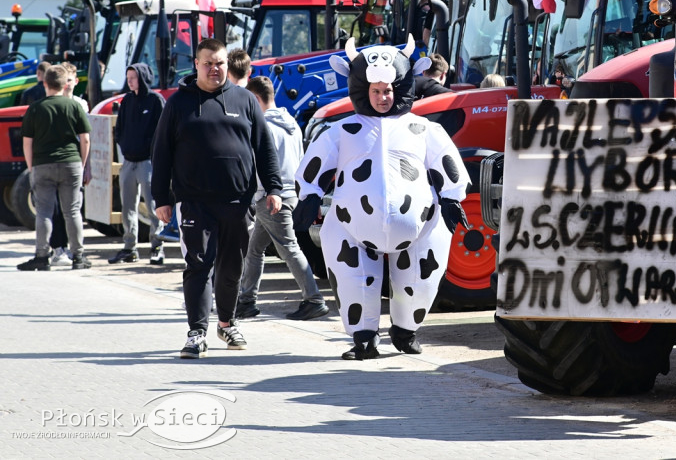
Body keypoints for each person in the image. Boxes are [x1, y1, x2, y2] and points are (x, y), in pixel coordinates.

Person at [294, 36, 469, 360]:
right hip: (352, 224)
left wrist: (452, 198)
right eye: (375, 91)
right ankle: (363, 338)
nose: (382, 97)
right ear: (363, 88)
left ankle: (405, 331)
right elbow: (315, 163)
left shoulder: (422, 128)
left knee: (420, 276)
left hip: (420, 223)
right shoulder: (344, 129)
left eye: (388, 90)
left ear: (401, 86)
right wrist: (309, 195)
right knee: (352, 277)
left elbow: (448, 162)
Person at [151, 38, 284, 359]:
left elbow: (264, 148)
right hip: (194, 201)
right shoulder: (178, 103)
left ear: (228, 64)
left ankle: (226, 322)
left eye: (220, 63)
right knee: (198, 263)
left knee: (232, 267)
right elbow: (162, 153)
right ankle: (196, 332)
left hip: (238, 201)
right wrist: (161, 199)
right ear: (196, 64)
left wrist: (275, 189)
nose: (214, 68)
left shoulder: (246, 101)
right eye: (208, 62)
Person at [235, 76, 329, 321]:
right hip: (290, 194)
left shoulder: (262, 126)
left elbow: (259, 164)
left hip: (271, 197)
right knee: (255, 249)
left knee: (289, 248)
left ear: (255, 99)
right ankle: (246, 301)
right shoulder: (293, 124)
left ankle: (314, 299)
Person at [16, 64, 91, 271]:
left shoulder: (36, 108)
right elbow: (85, 139)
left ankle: (41, 256)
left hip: (43, 164)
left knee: (44, 212)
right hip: (71, 162)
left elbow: (27, 142)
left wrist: (31, 167)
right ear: (64, 83)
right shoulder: (74, 106)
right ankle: (78, 256)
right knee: (72, 211)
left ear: (45, 83)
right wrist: (82, 164)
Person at [109, 63, 166, 265]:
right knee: (128, 208)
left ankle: (157, 246)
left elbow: (164, 132)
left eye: (133, 77)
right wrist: (123, 145)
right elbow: (120, 129)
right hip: (128, 162)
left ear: (142, 77)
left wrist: (151, 152)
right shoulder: (126, 101)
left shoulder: (156, 101)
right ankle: (129, 248)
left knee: (153, 207)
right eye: (128, 77)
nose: (130, 81)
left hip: (148, 163)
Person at [47, 62, 91, 267]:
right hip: (59, 159)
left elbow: (86, 138)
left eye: (71, 80)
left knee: (73, 209)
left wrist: (86, 165)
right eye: (65, 81)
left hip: (75, 159)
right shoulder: (53, 103)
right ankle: (58, 247)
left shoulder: (80, 105)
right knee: (57, 208)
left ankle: (75, 251)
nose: (68, 84)